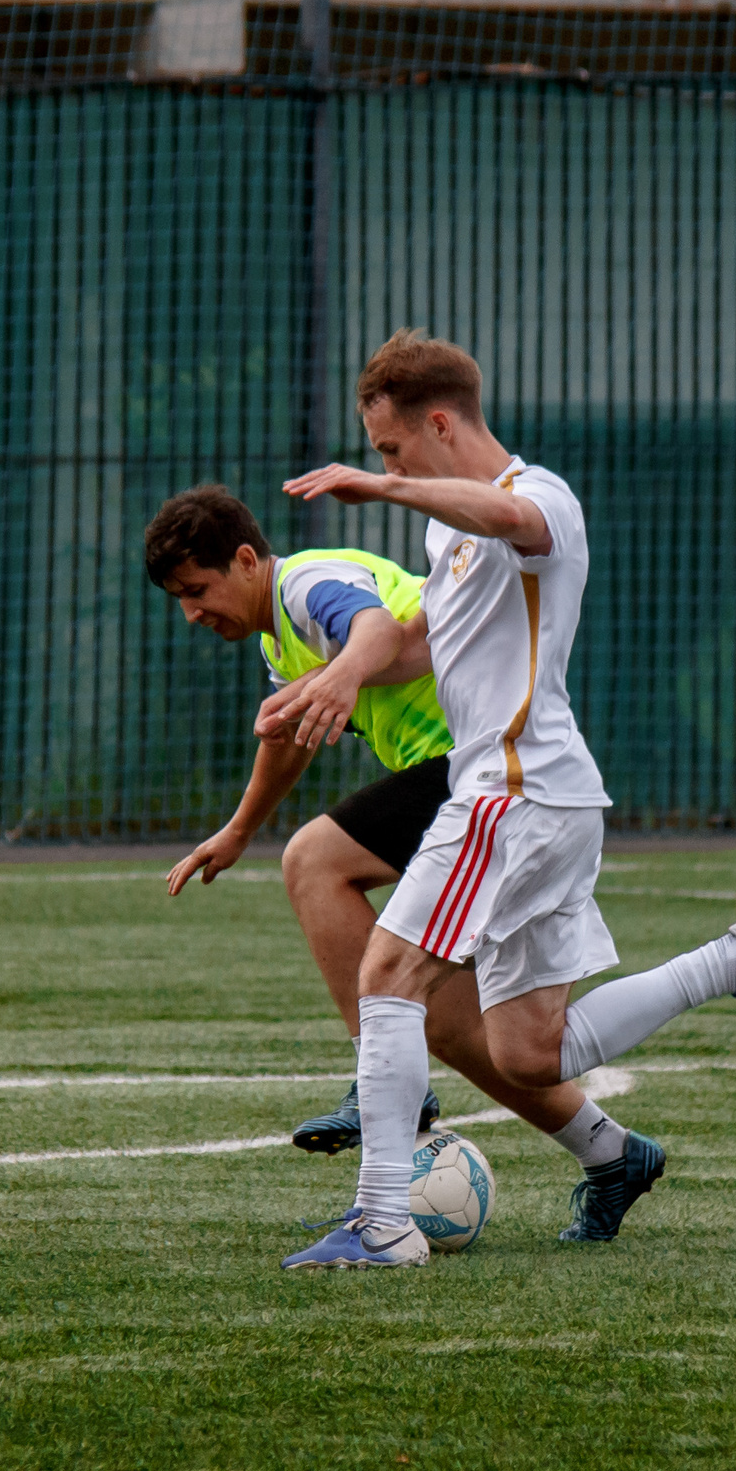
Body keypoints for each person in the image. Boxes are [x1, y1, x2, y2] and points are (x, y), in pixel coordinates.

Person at [271, 329, 736, 1270]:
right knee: (529, 1053)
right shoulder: (448, 532)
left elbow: (509, 517)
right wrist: (335, 676)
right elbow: (416, 641)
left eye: (394, 448)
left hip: (513, 790)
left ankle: (383, 1224)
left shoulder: (542, 497)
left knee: (387, 973)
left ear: (441, 424)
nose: (387, 467)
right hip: (544, 798)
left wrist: (387, 490)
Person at [145, 488, 625, 1223]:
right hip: (470, 778)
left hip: (479, 767)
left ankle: (382, 1100)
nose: (191, 613)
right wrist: (238, 830)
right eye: (180, 599)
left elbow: (375, 630)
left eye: (197, 590)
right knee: (448, 1023)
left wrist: (338, 675)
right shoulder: (280, 639)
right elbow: (286, 738)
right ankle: (612, 1152)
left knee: (314, 861)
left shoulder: (308, 583)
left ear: (244, 560)